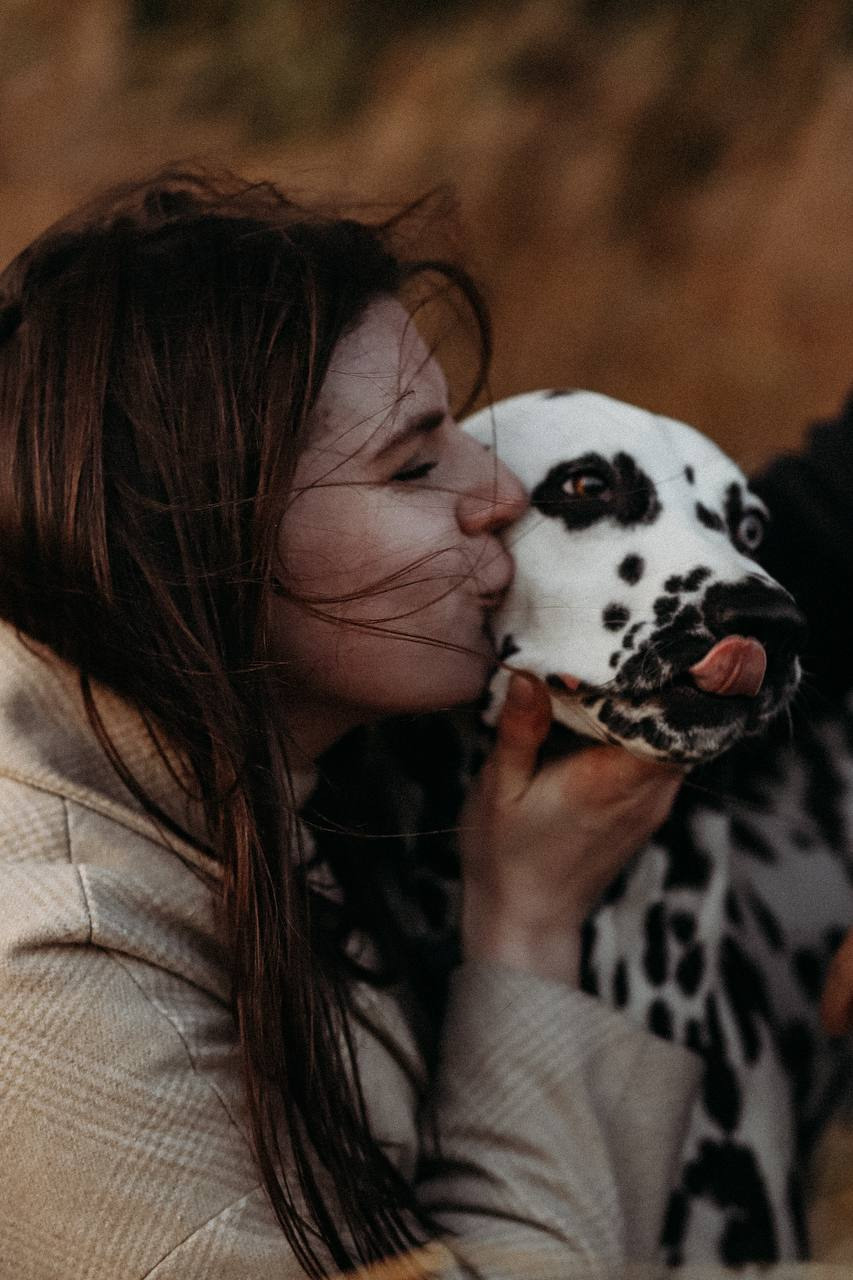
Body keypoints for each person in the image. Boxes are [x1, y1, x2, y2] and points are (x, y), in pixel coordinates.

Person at [0, 171, 695, 1280]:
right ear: (202, 544)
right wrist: (524, 930)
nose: (501, 489)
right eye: (414, 463)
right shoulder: (53, 972)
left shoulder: (265, 763)